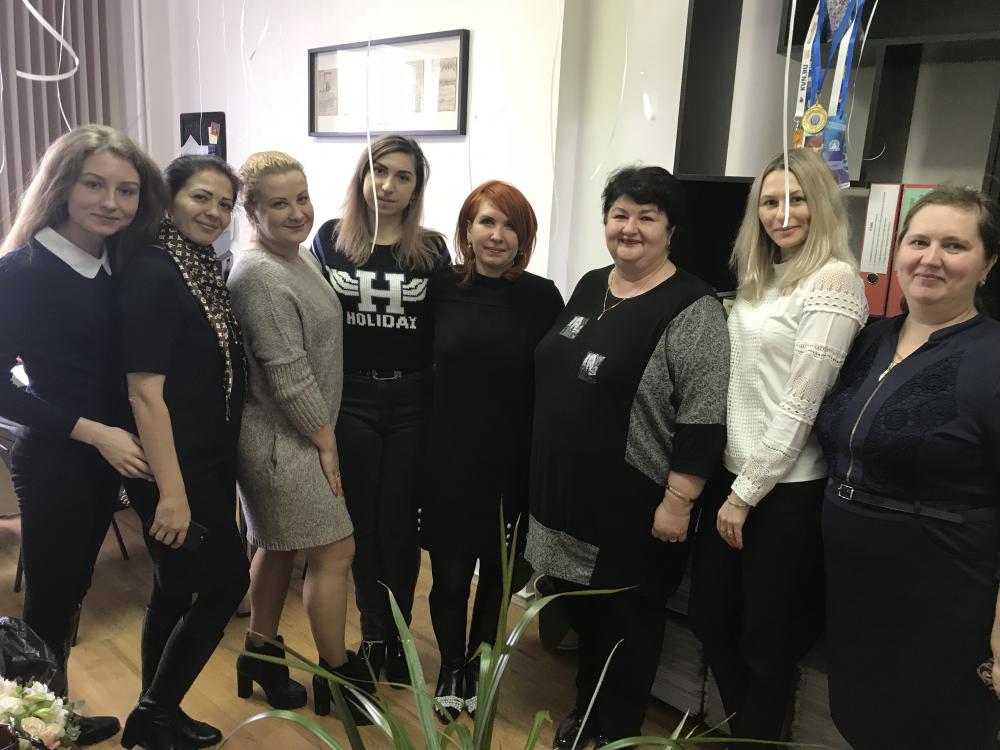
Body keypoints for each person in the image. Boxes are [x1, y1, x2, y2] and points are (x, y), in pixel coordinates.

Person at [525, 166, 729, 746]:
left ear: (671, 229)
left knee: (625, 625)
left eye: (647, 217)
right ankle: (586, 711)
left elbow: (704, 414)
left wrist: (679, 500)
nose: (630, 228)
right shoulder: (593, 284)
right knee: (583, 613)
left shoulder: (694, 307)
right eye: (619, 214)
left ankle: (613, 730)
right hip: (564, 492)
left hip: (630, 501)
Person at [688, 148, 867, 740]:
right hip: (732, 475)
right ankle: (753, 734)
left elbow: (801, 402)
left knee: (768, 646)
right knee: (711, 620)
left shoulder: (834, 280)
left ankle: (756, 739)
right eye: (770, 201)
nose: (782, 214)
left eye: (797, 199)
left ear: (822, 204)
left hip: (785, 491)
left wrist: (746, 494)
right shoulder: (760, 279)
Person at [815, 186, 1000, 749]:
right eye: (919, 242)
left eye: (954, 246)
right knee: (860, 720)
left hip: (943, 594)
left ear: (987, 265)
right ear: (897, 252)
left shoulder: (992, 356)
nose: (930, 258)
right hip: (854, 591)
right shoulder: (871, 338)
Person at [0, 124, 166, 747]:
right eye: (95, 185)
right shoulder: (22, 270)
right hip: (58, 458)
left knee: (72, 590)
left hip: (108, 455)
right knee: (49, 600)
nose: (111, 202)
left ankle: (55, 720)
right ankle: (32, 731)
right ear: (63, 185)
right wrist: (94, 433)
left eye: (126, 190)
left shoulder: (118, 263)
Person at [228, 151, 371, 723]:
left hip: (298, 433)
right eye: (279, 203)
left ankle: (260, 654)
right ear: (251, 210)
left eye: (303, 198)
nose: (297, 213)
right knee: (335, 551)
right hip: (282, 441)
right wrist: (326, 441)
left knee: (277, 546)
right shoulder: (259, 276)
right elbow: (287, 374)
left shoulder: (297, 257)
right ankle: (337, 675)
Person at [118, 155, 250, 750]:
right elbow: (144, 392)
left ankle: (157, 713)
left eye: (224, 204)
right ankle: (155, 712)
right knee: (226, 583)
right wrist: (171, 494)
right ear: (169, 199)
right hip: (174, 464)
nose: (214, 213)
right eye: (201, 197)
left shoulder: (195, 265)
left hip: (205, 454)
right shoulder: (153, 270)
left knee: (174, 586)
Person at [422, 181, 563, 720]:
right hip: (448, 458)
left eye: (510, 226)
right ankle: (449, 666)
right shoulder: (440, 288)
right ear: (467, 229)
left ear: (524, 237)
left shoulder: (541, 297)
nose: (497, 235)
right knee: (451, 575)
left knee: (497, 577)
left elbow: (554, 381)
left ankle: (478, 667)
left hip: (510, 461)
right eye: (486, 222)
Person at [312, 135, 449, 687]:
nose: (388, 185)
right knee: (363, 525)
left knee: (399, 524)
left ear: (417, 188)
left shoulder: (432, 250)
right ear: (362, 177)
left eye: (403, 176)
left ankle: (399, 637)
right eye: (379, 171)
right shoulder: (330, 239)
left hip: (413, 400)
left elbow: (446, 329)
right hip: (351, 399)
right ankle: (373, 634)